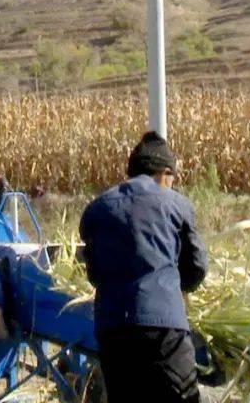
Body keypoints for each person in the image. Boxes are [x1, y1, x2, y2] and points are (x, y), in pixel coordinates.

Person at [79, 131, 208, 403]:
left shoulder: (96, 209)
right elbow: (197, 268)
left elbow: (93, 273)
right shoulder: (177, 204)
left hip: (113, 328)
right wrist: (176, 286)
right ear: (165, 173)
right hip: (164, 330)